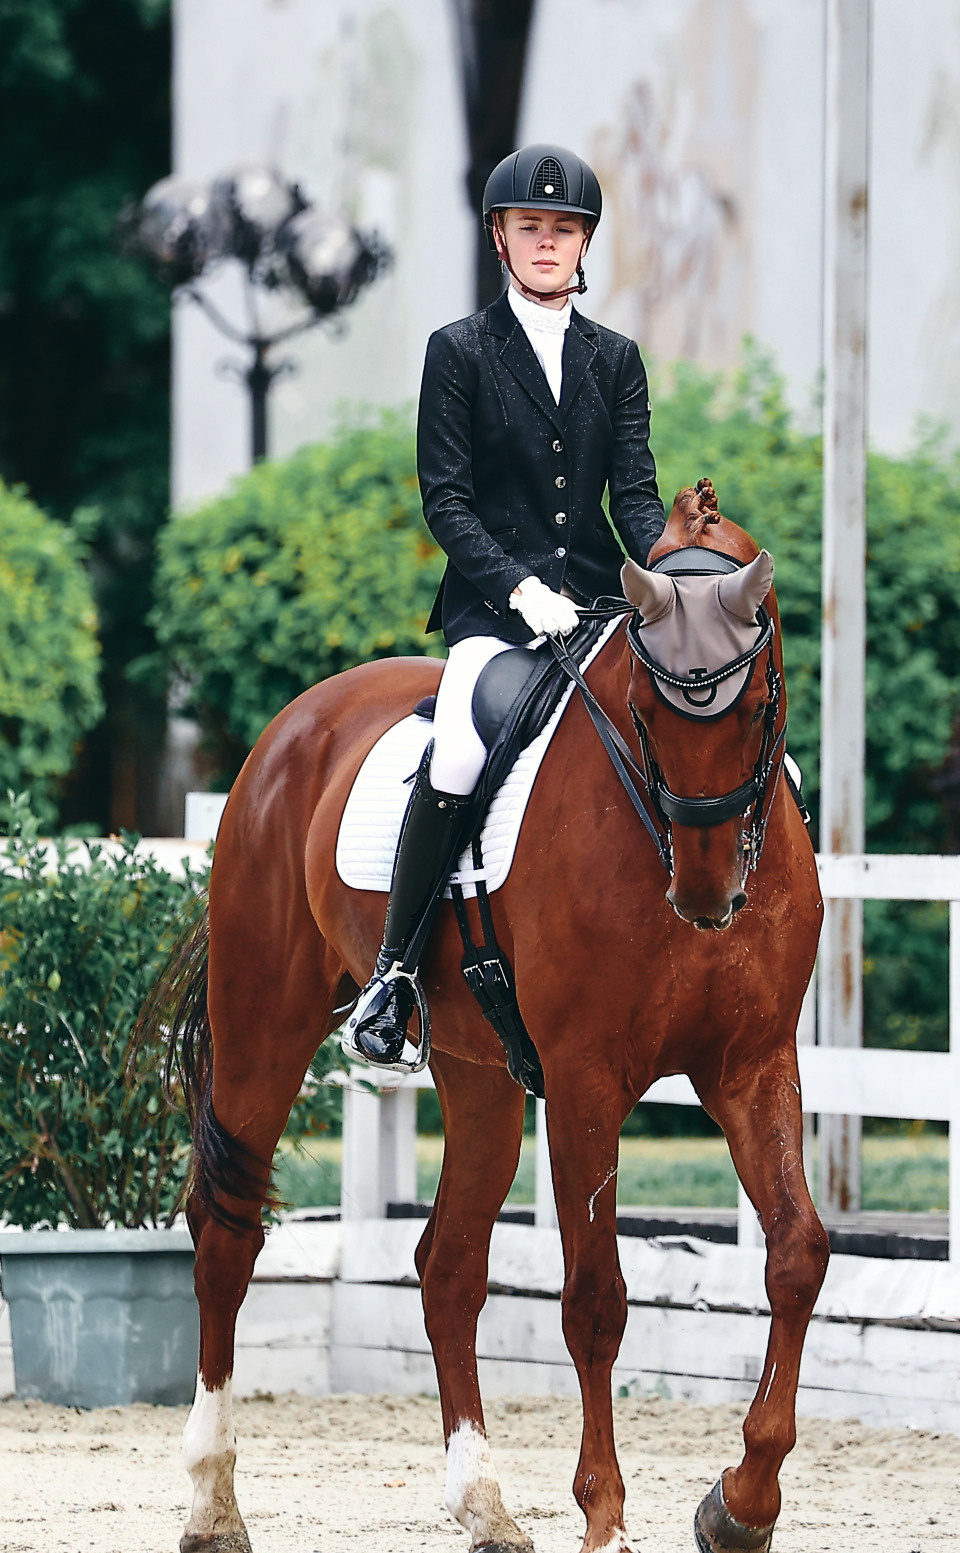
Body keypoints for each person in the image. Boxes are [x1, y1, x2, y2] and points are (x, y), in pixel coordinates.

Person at [342, 143, 667, 1071]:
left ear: (583, 244)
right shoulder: (460, 352)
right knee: (459, 748)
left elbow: (634, 496)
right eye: (532, 228)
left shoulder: (616, 359)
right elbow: (445, 499)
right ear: (501, 237)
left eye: (564, 231)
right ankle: (394, 975)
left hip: (599, 608)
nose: (548, 244)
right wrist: (519, 588)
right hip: (495, 613)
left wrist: (671, 571)